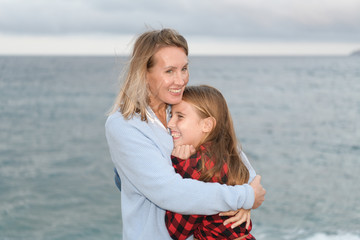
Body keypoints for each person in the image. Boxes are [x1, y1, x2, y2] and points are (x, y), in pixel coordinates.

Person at [105, 28, 266, 239]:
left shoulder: (183, 106)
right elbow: (170, 192)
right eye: (169, 71)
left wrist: (245, 198)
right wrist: (243, 197)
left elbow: (242, 167)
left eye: (184, 68)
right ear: (144, 73)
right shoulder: (124, 125)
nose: (180, 80)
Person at [165, 85, 256, 240]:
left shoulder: (196, 166)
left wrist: (177, 165)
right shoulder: (227, 156)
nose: (170, 123)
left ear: (207, 125)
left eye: (180, 116)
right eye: (170, 115)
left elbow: (177, 230)